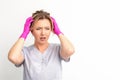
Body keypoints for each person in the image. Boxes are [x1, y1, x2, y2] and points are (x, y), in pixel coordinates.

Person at [8, 10, 75, 80]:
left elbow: (70, 50)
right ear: (31, 30)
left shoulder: (58, 49)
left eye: (47, 28)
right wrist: (24, 34)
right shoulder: (25, 52)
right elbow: (13, 57)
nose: (43, 33)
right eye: (38, 29)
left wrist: (59, 32)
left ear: (52, 30)